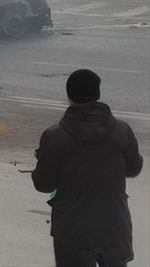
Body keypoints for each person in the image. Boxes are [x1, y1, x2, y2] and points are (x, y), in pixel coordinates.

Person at [32, 69, 143, 267]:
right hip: (114, 225)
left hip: (73, 230)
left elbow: (43, 184)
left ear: (70, 96)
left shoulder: (54, 137)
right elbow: (134, 168)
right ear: (97, 94)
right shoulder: (122, 130)